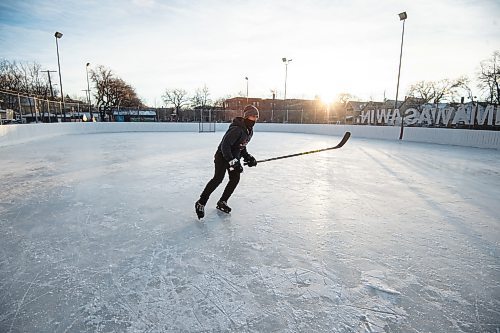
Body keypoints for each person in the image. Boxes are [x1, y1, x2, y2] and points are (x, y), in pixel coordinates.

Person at [195, 105, 259, 219]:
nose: (255, 119)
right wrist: (232, 161)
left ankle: (222, 202)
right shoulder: (237, 128)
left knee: (235, 179)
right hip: (222, 156)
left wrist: (248, 157)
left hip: (233, 158)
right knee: (218, 179)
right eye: (253, 116)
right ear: (247, 116)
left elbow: (241, 146)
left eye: (256, 117)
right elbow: (225, 146)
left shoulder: (249, 131)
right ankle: (201, 202)